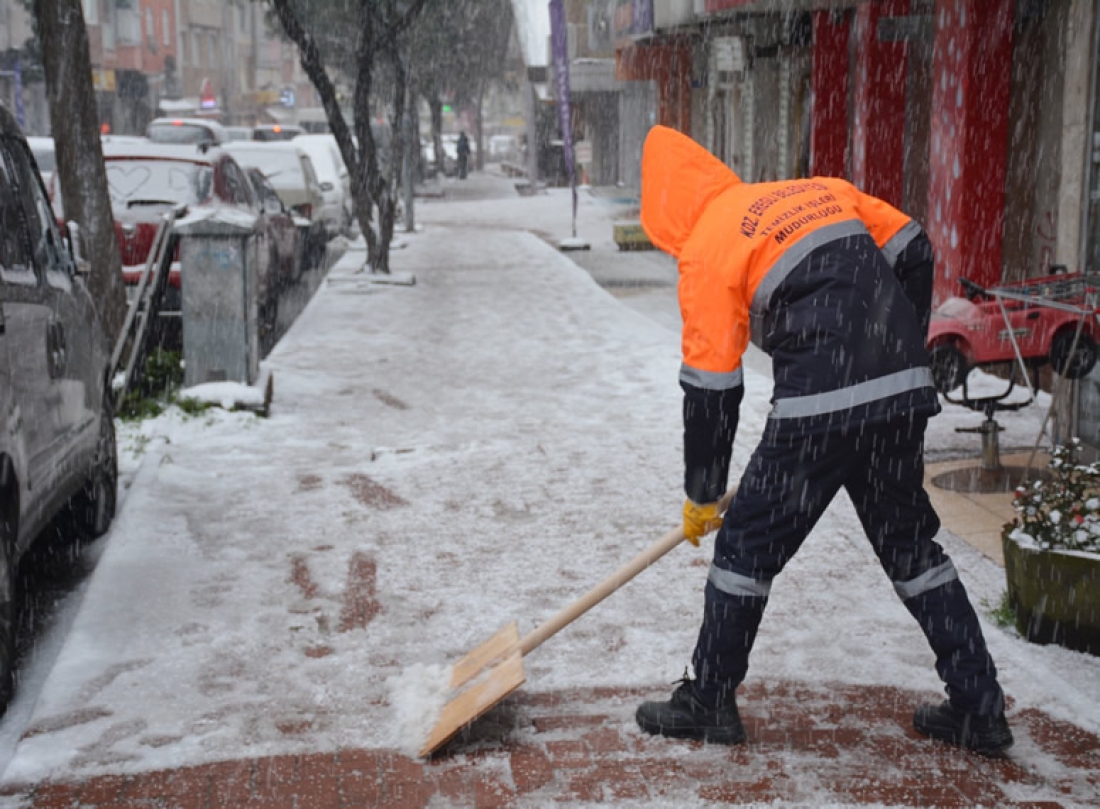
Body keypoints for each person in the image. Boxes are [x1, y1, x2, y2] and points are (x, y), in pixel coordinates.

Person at [633, 125, 1012, 756]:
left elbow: (710, 390)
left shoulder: (706, 247)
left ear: (665, 211)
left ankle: (711, 699)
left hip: (820, 406)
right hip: (898, 397)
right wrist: (898, 354)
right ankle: (979, 706)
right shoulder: (817, 190)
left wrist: (702, 492)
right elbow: (915, 248)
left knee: (746, 547)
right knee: (911, 547)